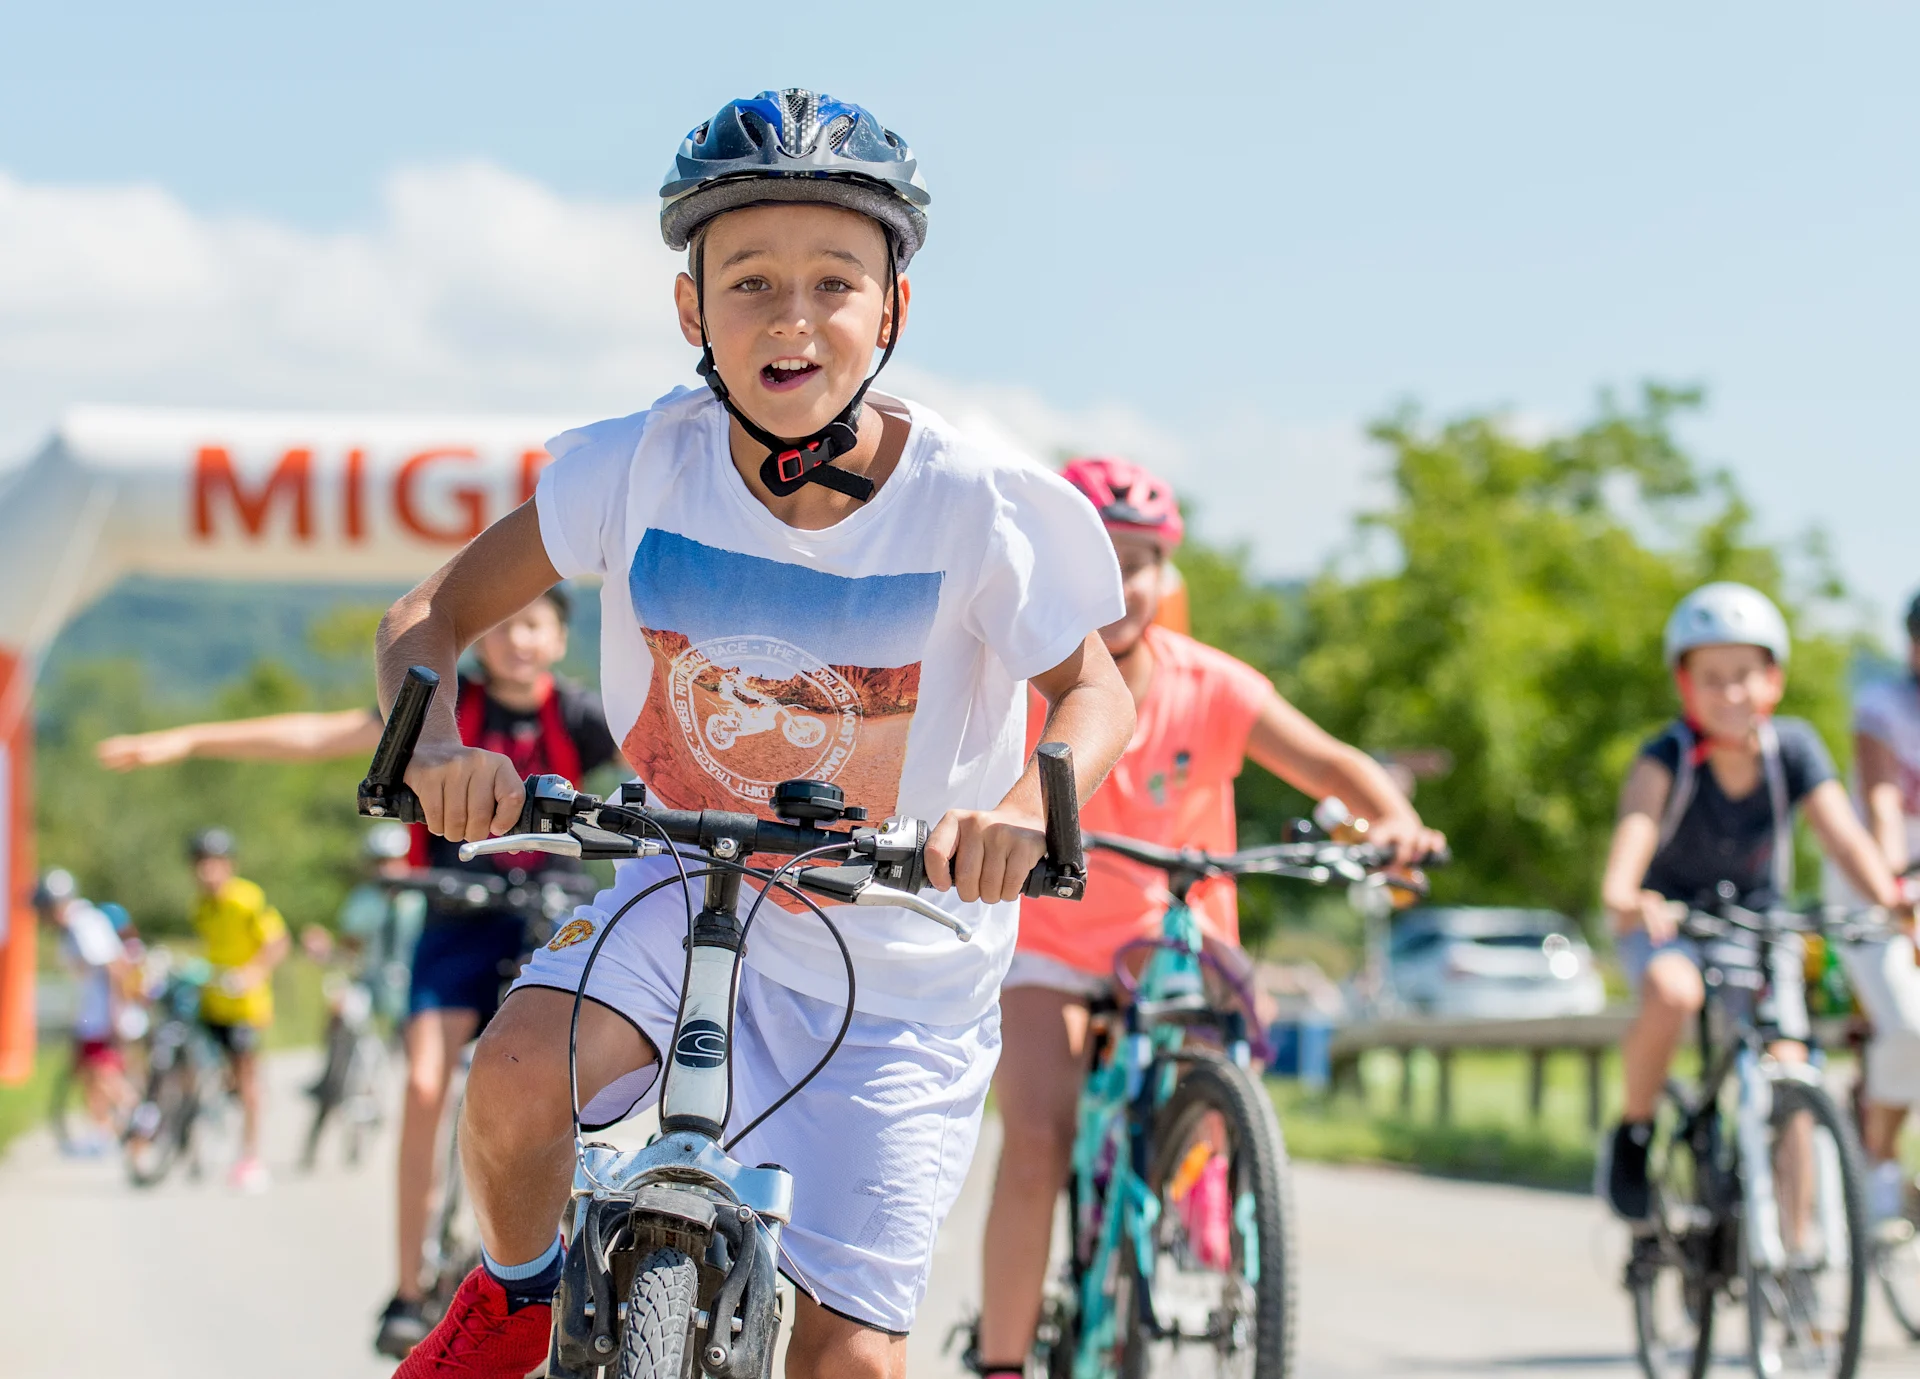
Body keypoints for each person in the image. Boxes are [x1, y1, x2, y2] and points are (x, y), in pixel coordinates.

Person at [377, 88, 1135, 1379]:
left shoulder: (973, 502)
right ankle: (513, 1301)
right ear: (692, 312)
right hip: (684, 888)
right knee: (508, 1082)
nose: (793, 318)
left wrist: (1020, 804)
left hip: (902, 957)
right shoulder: (640, 468)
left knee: (851, 1360)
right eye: (751, 283)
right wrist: (438, 740)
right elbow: (434, 610)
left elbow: (1098, 690)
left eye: (835, 281)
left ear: (892, 308)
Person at [971, 456, 1446, 1377]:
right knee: (1039, 1131)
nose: (1124, 581)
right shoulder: (1018, 679)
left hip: (1180, 948)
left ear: (1168, 574)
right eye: (1102, 557)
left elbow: (1336, 766)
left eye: (1142, 559)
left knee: (1213, 1085)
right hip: (1054, 945)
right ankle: (1002, 1358)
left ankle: (1194, 1199)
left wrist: (1396, 821)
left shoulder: (1213, 685)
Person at [89, 589, 623, 1354]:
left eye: (534, 624)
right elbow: (318, 734)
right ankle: (408, 1288)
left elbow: (662, 758)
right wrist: (185, 741)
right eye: (500, 624)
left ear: (562, 637)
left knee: (560, 1088)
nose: (516, 641)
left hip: (549, 915)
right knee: (424, 1082)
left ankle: (553, 1260)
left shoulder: (579, 716)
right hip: (454, 915)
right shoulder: (451, 706)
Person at [1600, 582, 1912, 1220]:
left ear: (1773, 679)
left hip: (1760, 925)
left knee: (1793, 1070)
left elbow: (1845, 836)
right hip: (1673, 920)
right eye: (1712, 677)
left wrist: (1891, 899)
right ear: (1684, 683)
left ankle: (1793, 1262)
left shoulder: (1792, 750)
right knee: (1674, 993)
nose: (1731, 692)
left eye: (1745, 674)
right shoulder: (1667, 756)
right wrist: (1628, 896)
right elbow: (1632, 839)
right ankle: (1634, 1132)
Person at [1827, 588, 1920, 1220]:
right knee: (1910, 1026)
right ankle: (1880, 1167)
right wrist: (1895, 888)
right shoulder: (1882, 707)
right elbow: (1883, 803)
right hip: (1876, 884)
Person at [186, 827, 290, 1192]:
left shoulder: (246, 899)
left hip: (246, 1005)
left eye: (213, 864)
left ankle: (250, 1155)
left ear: (228, 865)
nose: (206, 872)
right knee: (194, 1064)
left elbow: (278, 942)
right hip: (214, 1001)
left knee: (246, 1079)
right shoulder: (201, 905)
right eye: (200, 864)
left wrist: (252, 973)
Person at [34, 868, 134, 1155]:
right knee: (90, 1074)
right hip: (90, 1015)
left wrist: (118, 1014)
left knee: (105, 1075)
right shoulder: (72, 928)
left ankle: (140, 1117)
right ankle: (103, 1131)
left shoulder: (84, 924)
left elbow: (114, 968)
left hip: (103, 1014)